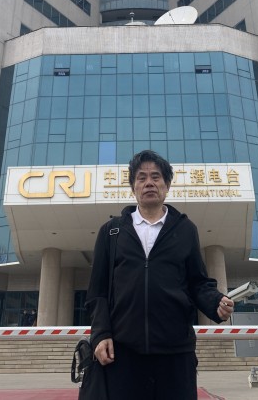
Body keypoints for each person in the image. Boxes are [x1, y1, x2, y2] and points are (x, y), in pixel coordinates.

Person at [86, 149, 234, 400]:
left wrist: (215, 302)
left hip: (175, 353)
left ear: (167, 185)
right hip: (123, 353)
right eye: (141, 178)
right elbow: (97, 292)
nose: (149, 183)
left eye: (156, 177)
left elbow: (197, 282)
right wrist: (100, 334)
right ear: (133, 187)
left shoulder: (185, 229)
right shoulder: (112, 232)